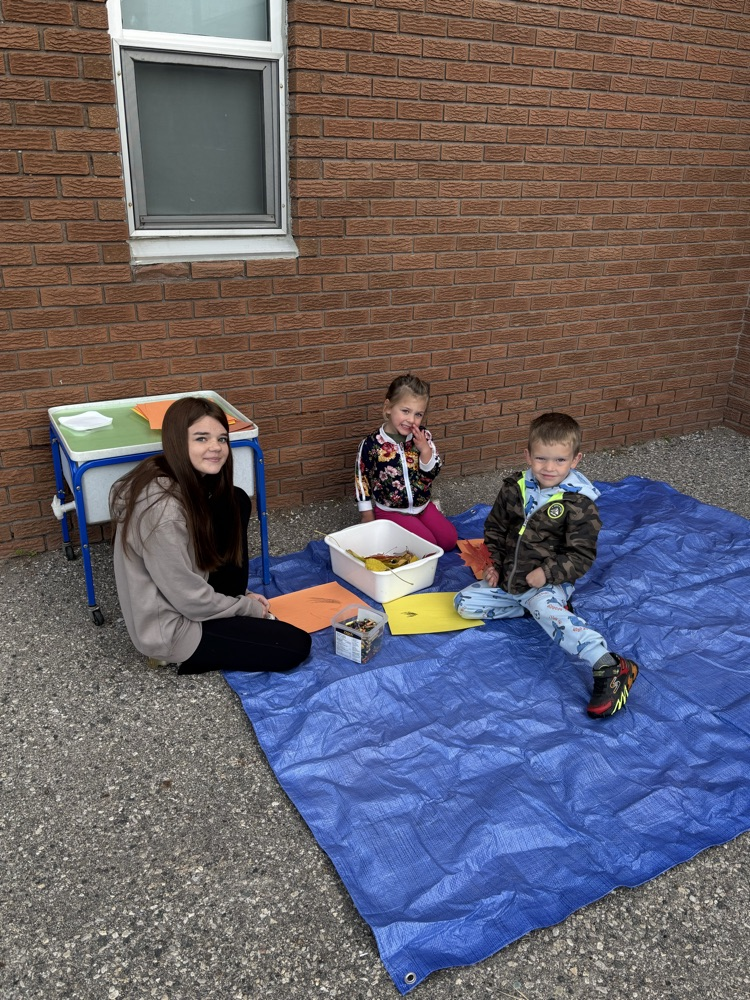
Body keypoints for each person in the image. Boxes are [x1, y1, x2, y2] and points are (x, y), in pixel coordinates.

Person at [454, 412, 639, 719]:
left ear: (575, 460)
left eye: (559, 461)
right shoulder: (515, 487)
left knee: (549, 611)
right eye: (541, 459)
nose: (549, 468)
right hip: (511, 580)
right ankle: (534, 609)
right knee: (463, 603)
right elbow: (496, 529)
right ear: (528, 454)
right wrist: (495, 565)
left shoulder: (579, 503)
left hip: (549, 583)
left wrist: (548, 574)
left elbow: (581, 556)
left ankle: (609, 665)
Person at [110, 396, 311, 674]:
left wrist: (240, 599)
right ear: (178, 442)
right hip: (174, 626)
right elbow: (189, 600)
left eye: (222, 439)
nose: (215, 448)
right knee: (294, 645)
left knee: (235, 499)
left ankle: (226, 603)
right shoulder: (163, 513)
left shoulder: (168, 472)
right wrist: (248, 609)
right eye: (201, 439)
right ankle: (172, 652)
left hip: (188, 598)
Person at [355, 373, 458, 551]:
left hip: (422, 506)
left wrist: (425, 450)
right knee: (428, 547)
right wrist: (366, 513)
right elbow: (361, 477)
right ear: (388, 407)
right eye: (405, 411)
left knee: (449, 540)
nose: (411, 420)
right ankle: (390, 530)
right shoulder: (372, 444)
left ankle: (415, 526)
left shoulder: (423, 437)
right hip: (391, 511)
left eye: (418, 414)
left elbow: (432, 474)